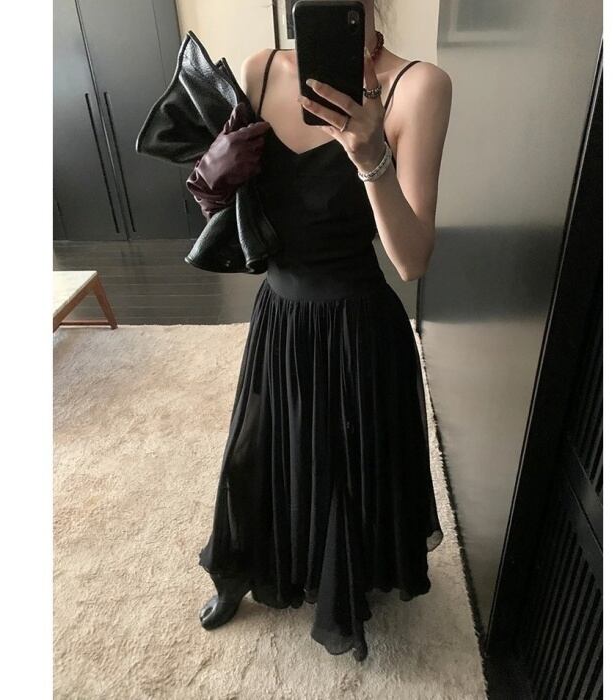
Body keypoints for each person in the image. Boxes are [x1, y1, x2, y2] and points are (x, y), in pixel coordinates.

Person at [190, 0, 453, 662]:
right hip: (279, 316)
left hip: (358, 328)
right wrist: (209, 181)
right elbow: (230, 205)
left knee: (343, 472)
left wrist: (371, 157)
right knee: (259, 450)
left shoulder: (418, 86)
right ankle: (242, 566)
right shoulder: (259, 70)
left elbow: (412, 260)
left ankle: (345, 586)